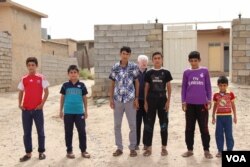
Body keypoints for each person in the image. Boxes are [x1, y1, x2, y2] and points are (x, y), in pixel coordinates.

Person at [181, 51, 213, 159]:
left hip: (202, 104)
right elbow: (184, 88)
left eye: (196, 60)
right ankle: (189, 150)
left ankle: (206, 150)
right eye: (191, 61)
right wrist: (183, 101)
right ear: (189, 61)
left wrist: (209, 99)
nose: (194, 63)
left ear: (199, 60)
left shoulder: (204, 71)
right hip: (189, 104)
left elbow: (208, 86)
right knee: (189, 128)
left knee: (204, 128)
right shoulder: (186, 72)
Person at [109, 46, 139, 157]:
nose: (125, 55)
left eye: (127, 54)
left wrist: (136, 98)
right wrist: (111, 98)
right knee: (117, 125)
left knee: (132, 125)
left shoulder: (133, 66)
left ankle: (132, 148)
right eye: (123, 53)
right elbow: (112, 83)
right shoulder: (115, 67)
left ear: (129, 55)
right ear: (120, 54)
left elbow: (137, 83)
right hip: (118, 100)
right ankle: (119, 148)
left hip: (130, 100)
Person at [18, 57, 49, 162]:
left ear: (36, 66)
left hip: (37, 110)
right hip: (26, 110)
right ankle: (28, 153)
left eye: (33, 65)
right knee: (27, 133)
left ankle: (41, 152)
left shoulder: (41, 78)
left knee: (40, 131)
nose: (31, 67)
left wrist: (42, 104)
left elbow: (46, 91)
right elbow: (21, 91)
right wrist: (20, 103)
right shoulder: (24, 79)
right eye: (29, 65)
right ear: (27, 66)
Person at [143, 52, 172, 156]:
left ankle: (164, 148)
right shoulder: (149, 73)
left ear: (162, 59)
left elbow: (168, 87)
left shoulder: (166, 72)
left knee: (164, 125)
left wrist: (168, 101)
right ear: (152, 60)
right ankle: (149, 148)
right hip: (151, 101)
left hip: (162, 101)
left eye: (159, 58)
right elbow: (146, 87)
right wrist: (145, 102)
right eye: (155, 58)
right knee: (149, 125)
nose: (157, 60)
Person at [59, 65, 90, 159]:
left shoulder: (82, 85)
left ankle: (83, 150)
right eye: (71, 73)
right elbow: (62, 98)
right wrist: (61, 110)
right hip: (68, 112)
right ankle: (69, 151)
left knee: (82, 131)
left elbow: (85, 98)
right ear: (68, 74)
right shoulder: (65, 85)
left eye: (75, 72)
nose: (73, 74)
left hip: (79, 112)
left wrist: (86, 111)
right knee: (68, 132)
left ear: (78, 74)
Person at [212, 76, 237, 158]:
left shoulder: (231, 94)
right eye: (220, 85)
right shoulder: (216, 95)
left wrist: (235, 116)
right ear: (218, 85)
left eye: (224, 85)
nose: (222, 87)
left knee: (229, 134)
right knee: (219, 134)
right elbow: (215, 106)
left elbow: (233, 106)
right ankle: (220, 150)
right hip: (219, 117)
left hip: (228, 117)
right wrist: (213, 116)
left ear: (227, 85)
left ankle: (229, 149)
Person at [136, 55, 148, 150]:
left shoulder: (150, 73)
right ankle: (136, 143)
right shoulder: (134, 73)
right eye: (142, 61)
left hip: (147, 102)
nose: (143, 63)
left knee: (147, 123)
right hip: (137, 101)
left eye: (145, 61)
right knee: (137, 123)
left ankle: (146, 143)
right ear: (138, 63)